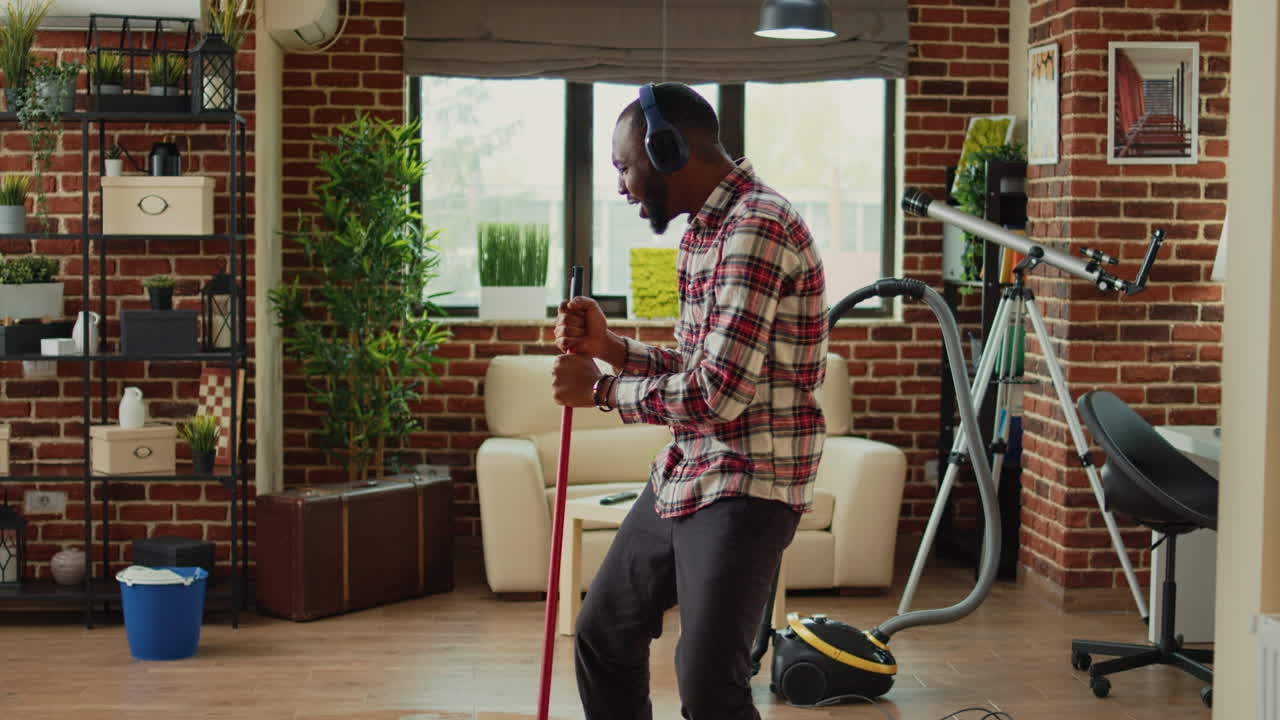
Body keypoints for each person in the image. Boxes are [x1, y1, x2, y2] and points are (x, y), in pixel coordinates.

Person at [551, 81, 828, 720]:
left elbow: (718, 393)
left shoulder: (755, 227)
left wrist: (601, 391)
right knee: (603, 631)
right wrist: (613, 347)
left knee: (707, 684)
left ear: (669, 149)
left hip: (750, 480)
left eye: (625, 164)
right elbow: (703, 366)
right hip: (693, 467)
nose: (620, 185)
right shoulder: (706, 231)